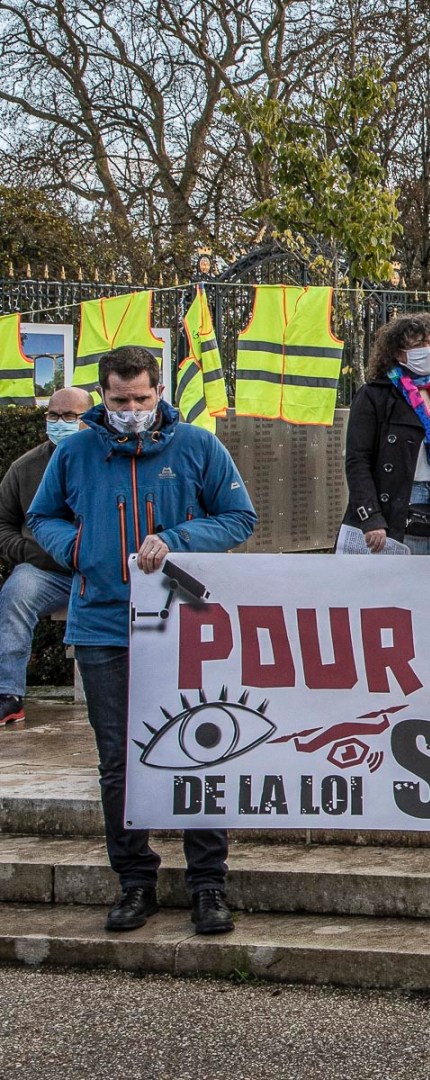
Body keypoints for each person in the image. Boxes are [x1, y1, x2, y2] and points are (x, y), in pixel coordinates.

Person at [27, 345, 256, 935]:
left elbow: (239, 517)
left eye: (140, 398)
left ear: (159, 393)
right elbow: (41, 517)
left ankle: (208, 885)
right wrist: (78, 549)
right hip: (102, 623)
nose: (130, 410)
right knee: (118, 760)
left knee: (203, 747)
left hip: (185, 624)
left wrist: (177, 538)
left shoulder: (198, 445)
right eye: (119, 400)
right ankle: (134, 882)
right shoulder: (74, 451)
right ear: (102, 396)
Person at [343, 313, 430, 556]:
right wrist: (371, 516)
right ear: (397, 353)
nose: (428, 350)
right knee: (400, 580)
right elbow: (357, 460)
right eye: (418, 345)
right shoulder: (374, 395)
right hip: (400, 503)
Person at [0, 387, 92, 725]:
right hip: (46, 572)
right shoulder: (25, 467)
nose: (59, 422)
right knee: (16, 595)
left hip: (101, 570)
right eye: (53, 415)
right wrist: (28, 552)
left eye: (69, 416)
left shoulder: (110, 460)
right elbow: (3, 522)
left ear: (90, 419)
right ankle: (8, 695)